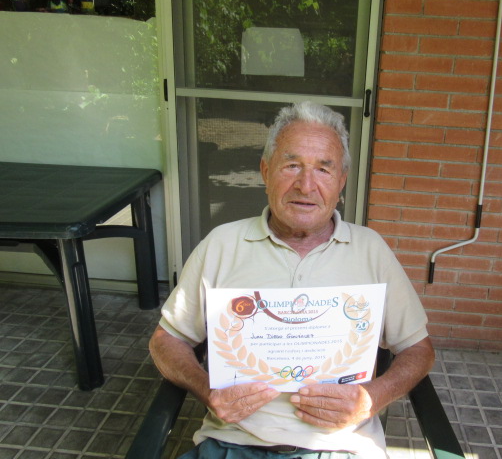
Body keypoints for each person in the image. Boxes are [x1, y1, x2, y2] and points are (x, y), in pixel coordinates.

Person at [150, 102, 435, 459]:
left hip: (340, 448)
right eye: (292, 166)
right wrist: (206, 390)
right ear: (265, 171)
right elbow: (166, 340)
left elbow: (418, 350)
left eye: (323, 169)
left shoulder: (370, 249)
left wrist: (371, 399)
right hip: (232, 444)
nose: (306, 185)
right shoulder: (222, 244)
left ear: (341, 182)